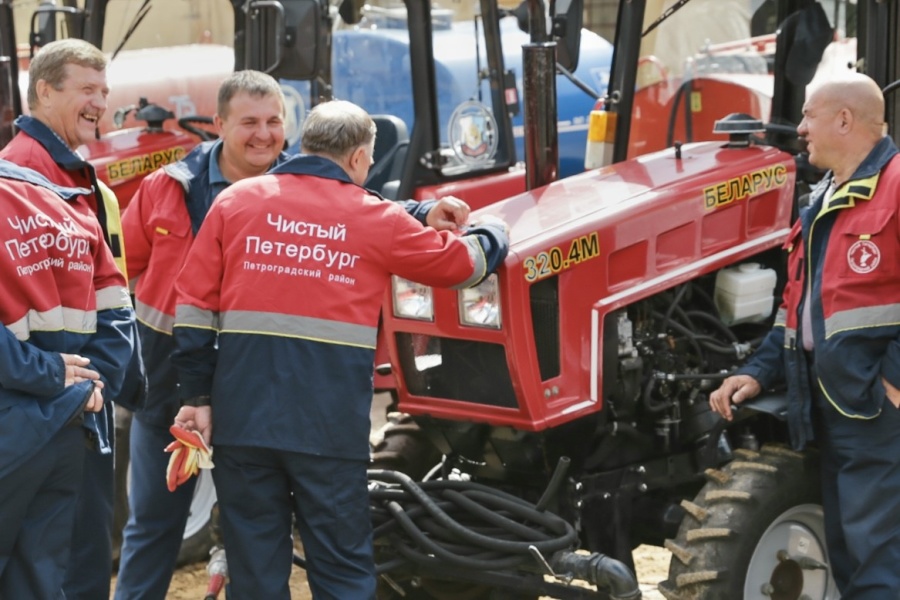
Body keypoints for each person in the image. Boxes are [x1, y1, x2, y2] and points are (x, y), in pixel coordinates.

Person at [115, 71, 476, 599]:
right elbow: (116, 273)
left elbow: (359, 212)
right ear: (218, 125)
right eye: (249, 123)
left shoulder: (253, 197)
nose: (263, 135)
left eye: (273, 123)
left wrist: (420, 212)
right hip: (210, 399)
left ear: (293, 132)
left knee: (255, 557)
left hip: (245, 407)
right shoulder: (169, 189)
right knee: (158, 527)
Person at [709, 72, 900, 598]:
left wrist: (894, 383)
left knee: (876, 558)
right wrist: (755, 372)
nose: (799, 129)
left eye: (809, 116)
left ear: (845, 119)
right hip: (832, 403)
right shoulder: (824, 198)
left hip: (876, 410)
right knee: (844, 550)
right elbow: (798, 313)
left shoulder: (897, 187)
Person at [0, 38, 145, 600]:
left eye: (104, 92)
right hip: (30, 417)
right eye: (87, 90)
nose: (100, 104)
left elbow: (114, 305)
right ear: (43, 90)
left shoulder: (83, 188)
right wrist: (59, 385)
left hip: (79, 412)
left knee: (77, 566)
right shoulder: (19, 182)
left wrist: (96, 385)